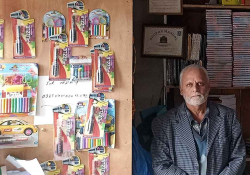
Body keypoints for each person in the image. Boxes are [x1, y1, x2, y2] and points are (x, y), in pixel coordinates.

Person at [151, 64, 246, 175]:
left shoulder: (229, 117)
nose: (195, 89)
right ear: (181, 90)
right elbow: (160, 164)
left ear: (208, 87)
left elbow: (239, 157)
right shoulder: (163, 123)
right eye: (189, 84)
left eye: (200, 83)